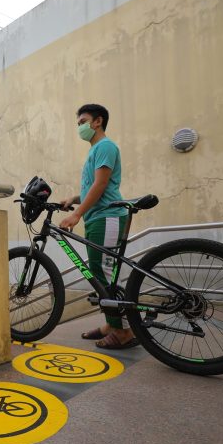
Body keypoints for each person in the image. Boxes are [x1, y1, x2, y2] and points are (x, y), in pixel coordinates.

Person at [59, 104, 139, 350]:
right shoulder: (96, 150)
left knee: (103, 274)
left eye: (83, 121)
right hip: (98, 218)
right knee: (99, 273)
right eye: (78, 123)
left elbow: (102, 185)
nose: (80, 127)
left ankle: (123, 332)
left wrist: (76, 215)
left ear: (97, 121)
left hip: (107, 218)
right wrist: (74, 199)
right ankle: (111, 324)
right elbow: (93, 188)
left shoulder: (105, 146)